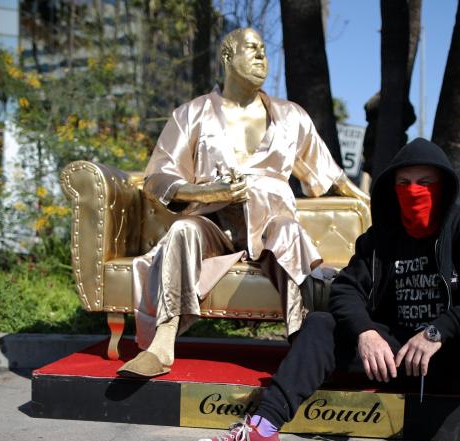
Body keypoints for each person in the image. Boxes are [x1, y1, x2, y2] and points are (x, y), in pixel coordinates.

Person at [193, 138, 460, 441]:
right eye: (403, 183)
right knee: (321, 323)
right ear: (391, 189)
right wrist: (366, 332)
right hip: (388, 358)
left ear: (445, 186)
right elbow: (346, 290)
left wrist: (438, 331)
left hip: (447, 356)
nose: (413, 191)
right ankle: (263, 427)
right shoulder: (379, 239)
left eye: (425, 182)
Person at [118, 27, 367, 378]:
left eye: (264, 49)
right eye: (251, 48)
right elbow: (157, 177)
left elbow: (328, 172)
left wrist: (366, 199)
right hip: (213, 224)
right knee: (183, 232)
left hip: (272, 222)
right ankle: (162, 343)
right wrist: (207, 193)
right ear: (227, 56)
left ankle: (302, 344)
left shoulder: (291, 115)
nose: (261, 56)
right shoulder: (191, 114)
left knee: (291, 235)